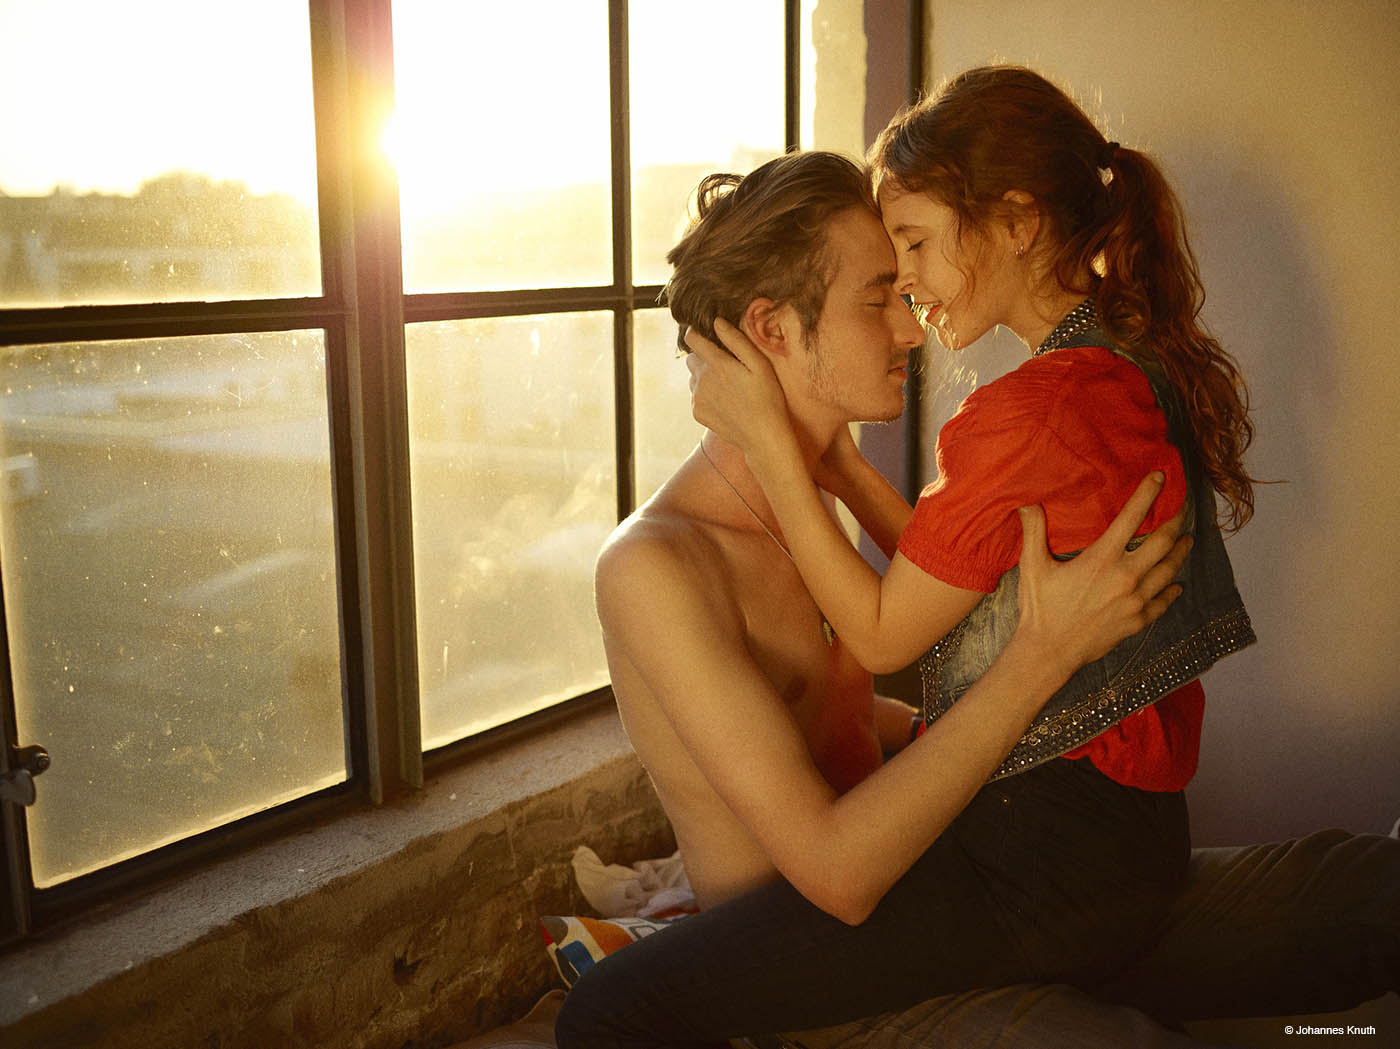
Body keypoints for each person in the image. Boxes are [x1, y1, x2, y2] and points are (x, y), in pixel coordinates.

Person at [555, 72, 1398, 1049]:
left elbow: (855, 701)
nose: (910, 323)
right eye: (880, 294)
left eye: (909, 269)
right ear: (774, 330)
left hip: (953, 879)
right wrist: (1041, 656)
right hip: (837, 975)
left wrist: (1035, 710)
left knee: (1352, 895)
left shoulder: (815, 506)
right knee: (604, 1009)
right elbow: (837, 873)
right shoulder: (657, 567)